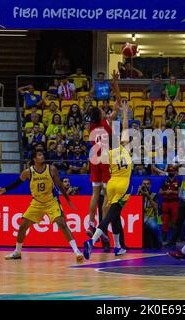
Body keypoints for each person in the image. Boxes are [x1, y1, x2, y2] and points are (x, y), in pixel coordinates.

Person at [0, 149, 83, 262]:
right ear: (34, 159)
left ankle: (77, 252)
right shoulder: (28, 172)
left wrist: (68, 200)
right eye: (39, 155)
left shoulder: (51, 169)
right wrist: (5, 189)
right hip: (37, 202)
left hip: (51, 201)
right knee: (22, 226)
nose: (42, 156)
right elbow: (17, 183)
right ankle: (17, 252)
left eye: (42, 154)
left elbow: (60, 185)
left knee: (62, 223)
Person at [83, 98, 132, 259]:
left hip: (111, 184)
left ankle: (118, 246)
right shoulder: (124, 147)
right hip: (123, 186)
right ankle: (94, 239)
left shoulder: (107, 153)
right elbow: (125, 126)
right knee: (111, 214)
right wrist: (125, 112)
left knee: (114, 214)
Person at [86, 71, 121, 238]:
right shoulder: (107, 121)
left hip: (94, 159)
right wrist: (115, 83)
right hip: (105, 159)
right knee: (106, 195)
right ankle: (103, 226)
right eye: (100, 109)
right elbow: (118, 103)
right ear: (100, 115)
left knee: (95, 194)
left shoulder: (90, 126)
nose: (102, 109)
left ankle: (91, 224)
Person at [139, 179, 162, 249]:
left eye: (147, 184)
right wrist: (138, 192)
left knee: (155, 226)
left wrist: (148, 196)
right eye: (144, 184)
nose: (146, 186)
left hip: (150, 217)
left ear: (150, 185)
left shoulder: (154, 195)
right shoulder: (138, 194)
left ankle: (159, 243)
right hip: (139, 218)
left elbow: (156, 207)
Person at [159, 166, 180, 242]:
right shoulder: (165, 180)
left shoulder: (178, 180)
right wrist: (165, 192)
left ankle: (176, 237)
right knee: (165, 220)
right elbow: (160, 192)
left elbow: (180, 192)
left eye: (172, 171)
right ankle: (164, 238)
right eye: (169, 171)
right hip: (166, 202)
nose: (171, 172)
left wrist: (172, 192)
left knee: (175, 220)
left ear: (175, 172)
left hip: (174, 202)